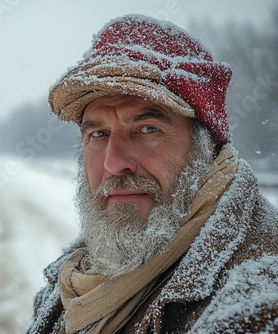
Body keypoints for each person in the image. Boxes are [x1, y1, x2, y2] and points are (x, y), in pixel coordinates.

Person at [26, 14, 278, 334]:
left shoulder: (253, 303)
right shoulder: (78, 272)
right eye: (99, 134)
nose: (114, 164)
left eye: (147, 129)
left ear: (207, 145)